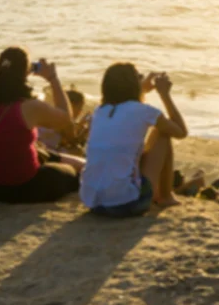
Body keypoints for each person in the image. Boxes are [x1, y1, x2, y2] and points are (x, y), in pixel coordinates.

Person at [0, 48, 82, 204]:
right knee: (73, 175)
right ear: (25, 73)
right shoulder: (28, 107)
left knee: (43, 152)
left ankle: (82, 164)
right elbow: (66, 119)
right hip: (22, 188)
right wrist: (53, 78)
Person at [79, 62, 188, 217]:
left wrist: (141, 89)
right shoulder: (145, 112)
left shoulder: (100, 111)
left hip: (93, 202)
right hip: (125, 204)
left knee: (125, 150)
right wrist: (164, 94)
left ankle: (161, 195)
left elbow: (127, 109)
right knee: (162, 134)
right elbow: (181, 132)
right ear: (134, 85)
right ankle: (165, 196)